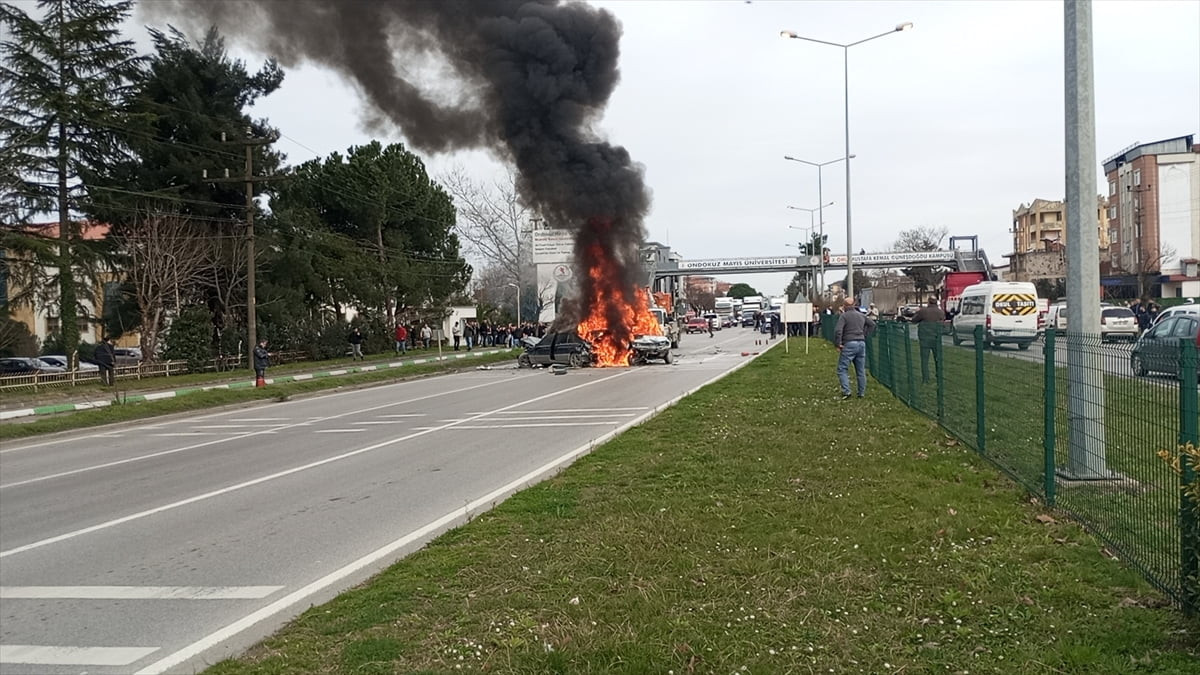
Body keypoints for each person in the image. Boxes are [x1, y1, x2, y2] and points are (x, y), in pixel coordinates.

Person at [834, 296, 876, 399]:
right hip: (861, 343)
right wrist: (864, 334)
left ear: (844, 306)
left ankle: (846, 391)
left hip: (849, 343)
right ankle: (861, 393)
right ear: (854, 305)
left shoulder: (844, 316)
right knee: (860, 370)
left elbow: (838, 331)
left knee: (842, 368)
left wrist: (838, 343)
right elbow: (872, 324)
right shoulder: (861, 315)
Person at [912, 297, 946, 384]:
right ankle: (939, 376)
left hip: (925, 338)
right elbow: (943, 324)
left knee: (924, 360)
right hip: (936, 338)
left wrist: (917, 312)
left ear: (929, 302)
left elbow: (914, 320)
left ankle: (925, 379)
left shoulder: (923, 311)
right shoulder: (941, 312)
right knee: (937, 358)